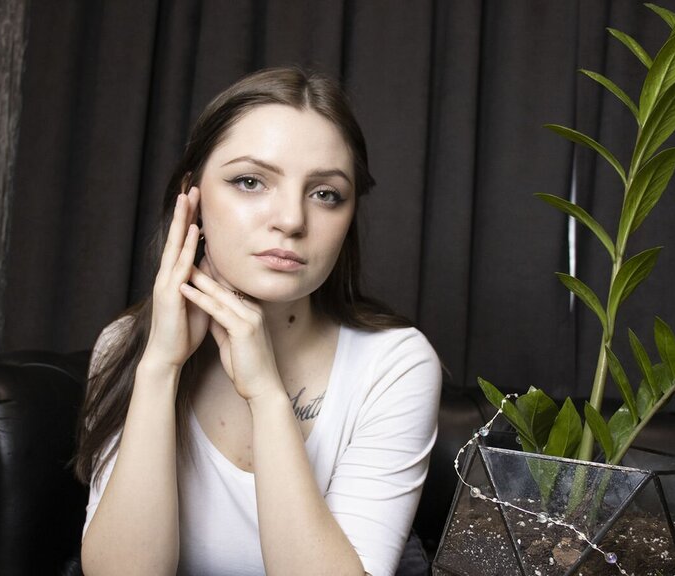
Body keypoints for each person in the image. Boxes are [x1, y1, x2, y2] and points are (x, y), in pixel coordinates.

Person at [74, 67, 442, 576]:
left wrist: (267, 395)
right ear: (192, 197)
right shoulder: (124, 345)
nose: (291, 220)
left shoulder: (395, 364)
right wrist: (160, 367)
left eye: (325, 193)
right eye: (250, 182)